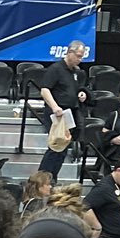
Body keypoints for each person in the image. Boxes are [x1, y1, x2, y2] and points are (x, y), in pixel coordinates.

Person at [37, 40, 90, 180]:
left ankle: (52, 177)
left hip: (70, 113)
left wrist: (81, 94)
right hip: (57, 114)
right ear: (70, 52)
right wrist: (55, 107)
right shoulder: (55, 69)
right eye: (78, 56)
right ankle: (42, 177)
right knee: (56, 146)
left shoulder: (76, 72)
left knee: (63, 148)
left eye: (82, 56)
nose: (80, 59)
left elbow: (76, 89)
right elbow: (44, 90)